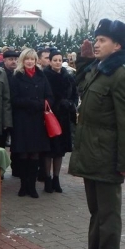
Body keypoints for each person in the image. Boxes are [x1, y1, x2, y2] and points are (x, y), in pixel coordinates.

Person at [69, 19, 125, 249]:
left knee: (109, 214)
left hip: (108, 157)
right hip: (92, 152)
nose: (96, 44)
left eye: (102, 41)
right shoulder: (100, 69)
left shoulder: (124, 74)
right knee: (97, 212)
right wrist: (84, 60)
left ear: (118, 45)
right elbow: (81, 86)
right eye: (96, 39)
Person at [9, 48, 53, 198]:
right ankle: (23, 185)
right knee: (23, 154)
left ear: (36, 61)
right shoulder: (17, 76)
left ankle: (32, 186)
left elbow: (49, 97)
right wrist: (29, 103)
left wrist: (40, 104)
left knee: (35, 154)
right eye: (27, 59)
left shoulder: (42, 76)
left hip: (37, 120)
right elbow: (13, 99)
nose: (30, 62)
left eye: (32, 59)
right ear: (23, 60)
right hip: (22, 119)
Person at [43, 49, 77, 194]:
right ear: (50, 61)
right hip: (49, 117)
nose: (57, 62)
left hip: (64, 118)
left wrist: (70, 104)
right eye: (54, 60)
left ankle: (56, 178)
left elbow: (75, 95)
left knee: (60, 151)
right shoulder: (45, 76)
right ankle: (47, 178)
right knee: (49, 151)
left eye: (59, 60)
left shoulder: (68, 76)